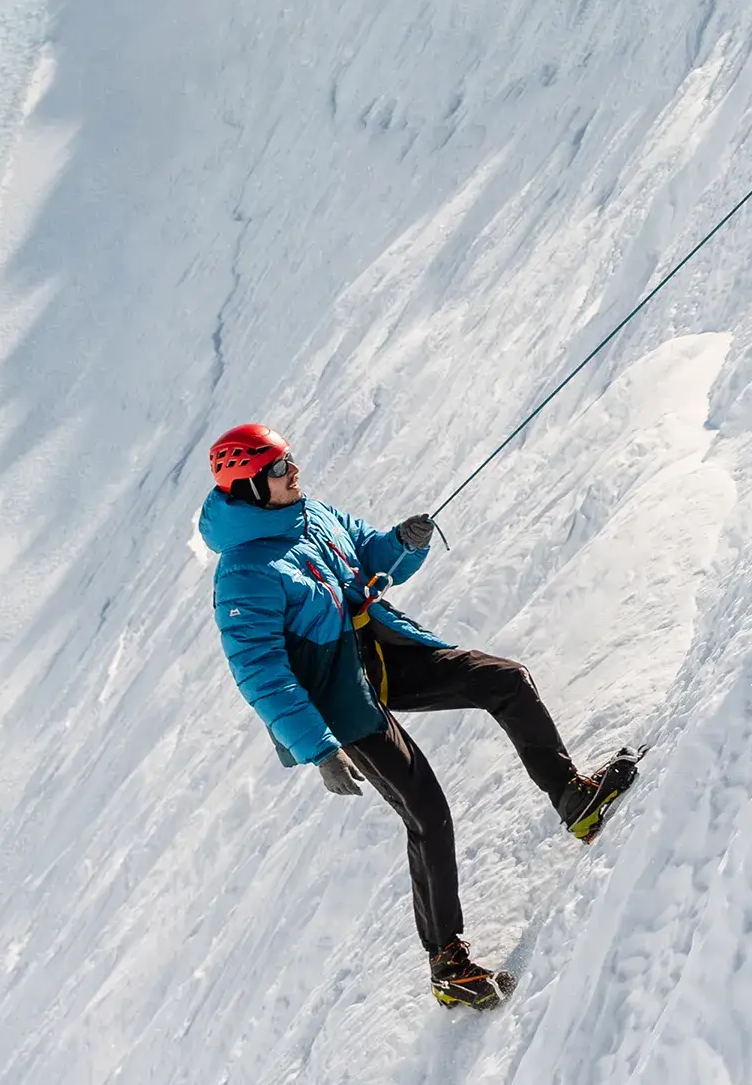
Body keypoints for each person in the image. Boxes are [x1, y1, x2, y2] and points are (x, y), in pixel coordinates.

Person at [199, 422, 640, 1010]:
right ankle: (447, 965)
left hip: (382, 655)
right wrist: (319, 748)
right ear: (250, 486)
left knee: (504, 680)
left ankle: (573, 800)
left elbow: (372, 559)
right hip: (341, 704)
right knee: (427, 813)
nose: (294, 472)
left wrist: (404, 542)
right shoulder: (242, 573)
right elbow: (259, 671)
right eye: (279, 469)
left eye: (290, 461)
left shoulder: (311, 513)